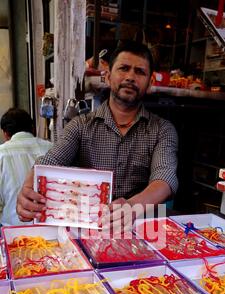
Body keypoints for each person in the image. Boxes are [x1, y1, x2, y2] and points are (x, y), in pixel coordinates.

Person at [17, 41, 178, 232]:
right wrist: (29, 186)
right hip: (86, 230)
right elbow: (51, 160)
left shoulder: (162, 129)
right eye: (124, 68)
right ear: (108, 77)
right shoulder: (80, 125)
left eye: (140, 72)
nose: (130, 77)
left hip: (139, 232)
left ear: (150, 83)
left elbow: (165, 179)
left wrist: (132, 207)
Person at [0, 108, 52, 225]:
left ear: (5, 133)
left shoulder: (1, 154)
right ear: (32, 129)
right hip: (51, 228)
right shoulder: (52, 148)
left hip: (12, 232)